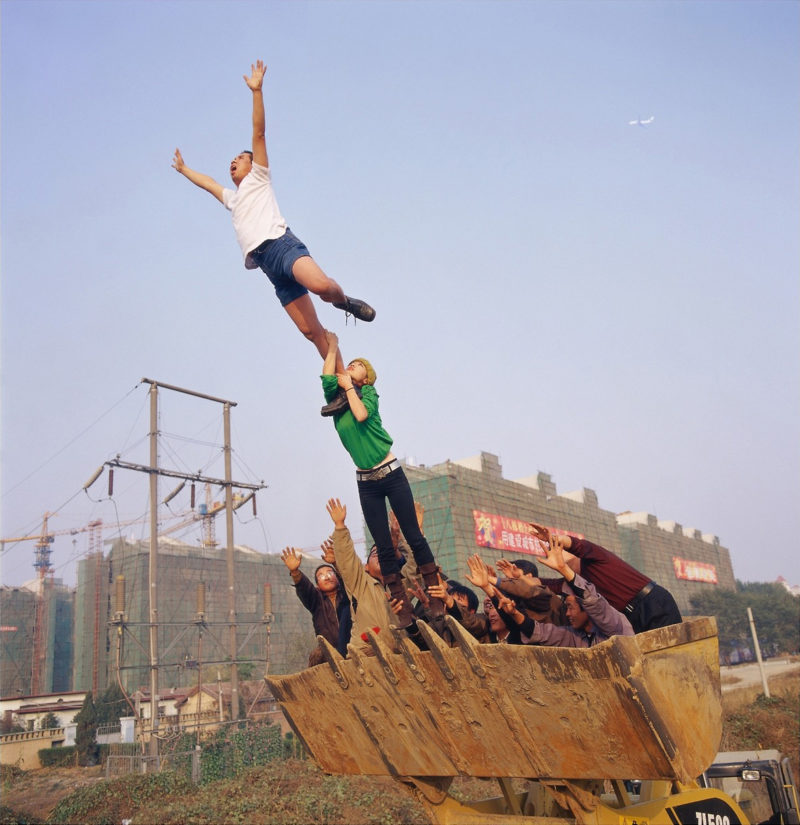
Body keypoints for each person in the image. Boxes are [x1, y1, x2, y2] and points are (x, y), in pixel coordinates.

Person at [172, 60, 374, 363]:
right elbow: (208, 184)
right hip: (268, 266)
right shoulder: (233, 198)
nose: (234, 161)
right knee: (311, 332)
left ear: (253, 165)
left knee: (321, 287)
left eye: (240, 157)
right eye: (232, 159)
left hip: (282, 247)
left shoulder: (259, 176)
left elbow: (259, 133)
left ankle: (345, 302)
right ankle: (343, 386)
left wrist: (257, 92)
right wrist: (185, 169)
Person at [321, 337, 444, 629]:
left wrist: (349, 384)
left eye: (360, 366)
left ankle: (435, 594)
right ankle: (401, 607)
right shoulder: (336, 401)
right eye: (352, 363)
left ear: (367, 378)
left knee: (413, 535)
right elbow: (327, 375)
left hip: (390, 472)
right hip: (366, 481)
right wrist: (332, 347)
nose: (354, 365)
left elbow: (361, 416)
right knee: (383, 546)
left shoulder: (369, 395)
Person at [528, 523, 682, 633]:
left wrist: (552, 539)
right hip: (630, 617)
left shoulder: (596, 557)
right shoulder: (576, 583)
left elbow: (578, 545)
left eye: (558, 551)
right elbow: (541, 584)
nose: (556, 556)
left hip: (652, 603)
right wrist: (516, 577)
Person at [325, 498, 418, 654]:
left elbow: (415, 566)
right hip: (364, 654)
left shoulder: (401, 585)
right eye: (375, 553)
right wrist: (340, 526)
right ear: (366, 567)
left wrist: (407, 536)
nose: (380, 556)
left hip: (400, 655)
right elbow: (347, 560)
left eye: (384, 554)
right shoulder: (360, 584)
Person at [280, 545, 351, 666]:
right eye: (321, 576)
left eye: (330, 573)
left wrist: (335, 563)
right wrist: (295, 572)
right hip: (328, 654)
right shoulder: (316, 600)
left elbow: (348, 581)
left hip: (352, 647)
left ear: (337, 578)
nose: (327, 577)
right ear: (317, 584)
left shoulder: (348, 595)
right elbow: (305, 588)